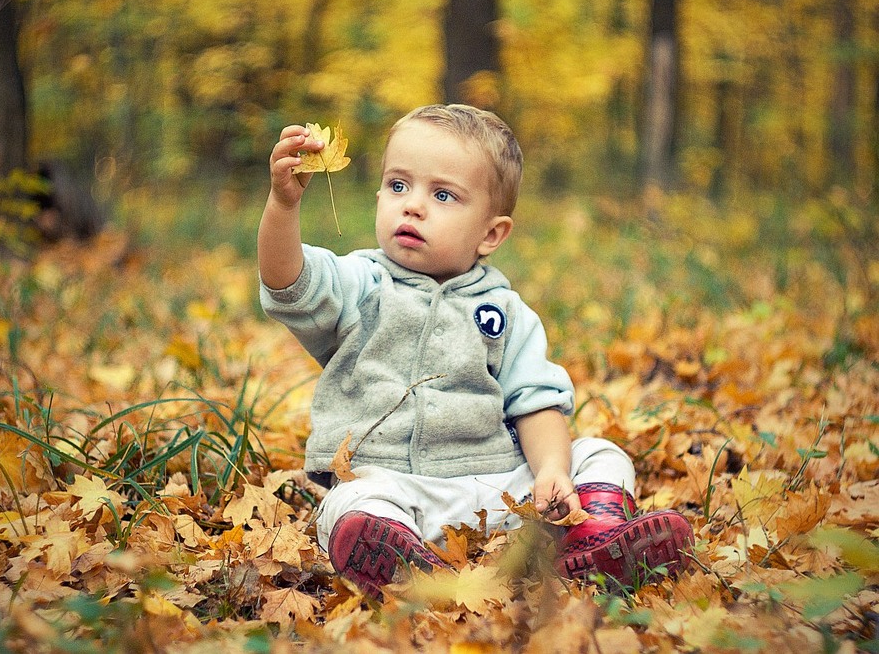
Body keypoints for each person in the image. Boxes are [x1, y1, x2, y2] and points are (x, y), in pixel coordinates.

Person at [258, 104, 693, 598]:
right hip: (394, 486)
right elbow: (287, 282)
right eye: (398, 186)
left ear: (491, 233)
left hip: (498, 490)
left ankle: (590, 537)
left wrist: (551, 470)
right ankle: (397, 560)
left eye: (442, 194)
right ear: (379, 194)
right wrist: (283, 207)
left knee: (597, 453)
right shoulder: (361, 283)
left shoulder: (505, 312)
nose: (412, 205)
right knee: (350, 503)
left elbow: (536, 401)